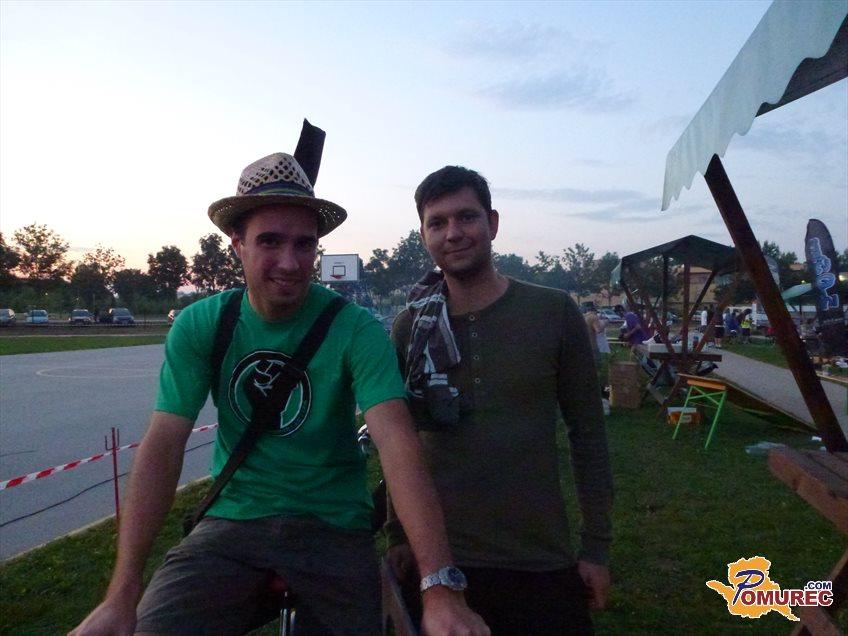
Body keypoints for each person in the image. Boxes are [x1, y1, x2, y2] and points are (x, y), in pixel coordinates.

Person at [70, 153, 488, 636]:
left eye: (304, 244)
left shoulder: (354, 328)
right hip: (231, 521)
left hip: (333, 523)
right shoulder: (203, 324)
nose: (290, 263)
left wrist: (441, 589)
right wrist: (122, 594)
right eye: (270, 241)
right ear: (237, 244)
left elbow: (397, 443)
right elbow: (164, 443)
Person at [385, 165, 613, 635]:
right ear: (424, 236)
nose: (453, 233)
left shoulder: (553, 312)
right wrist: (398, 535)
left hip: (539, 558)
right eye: (437, 222)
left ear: (492, 223)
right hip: (440, 563)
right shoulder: (410, 328)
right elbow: (399, 442)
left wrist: (596, 548)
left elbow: (588, 434)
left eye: (466, 217)